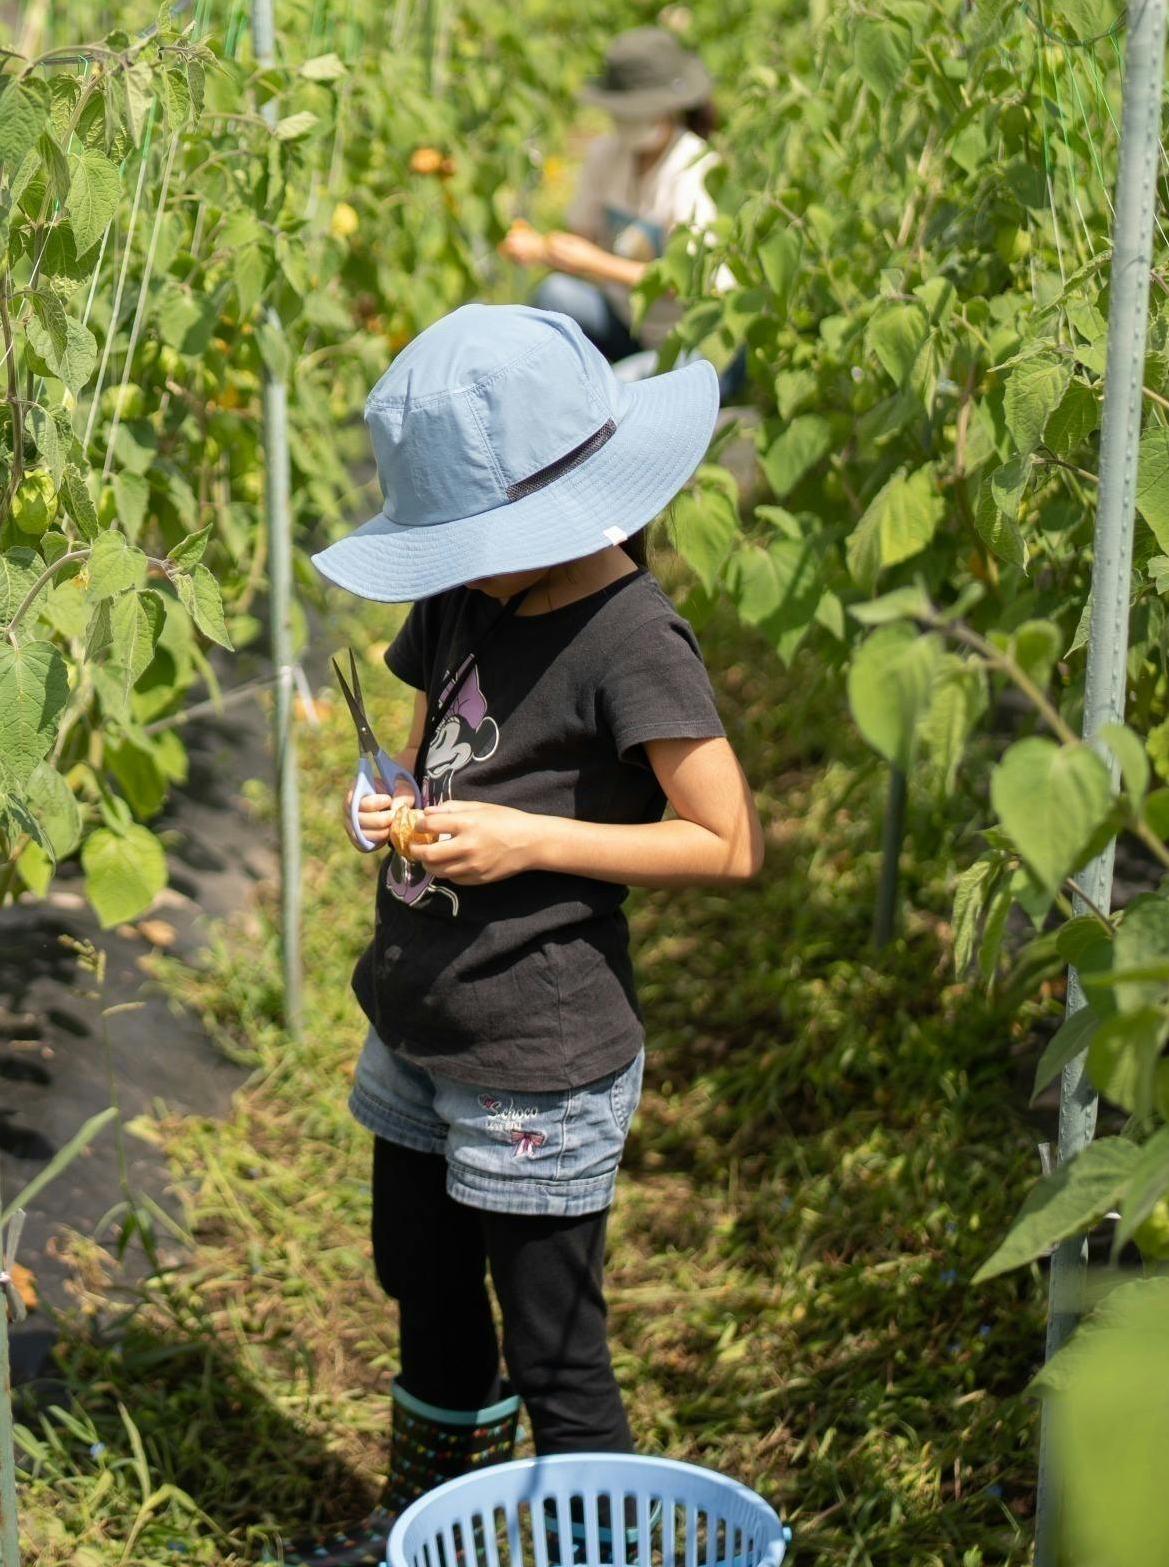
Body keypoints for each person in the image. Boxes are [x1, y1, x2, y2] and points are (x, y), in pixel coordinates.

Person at [281, 305, 764, 1565]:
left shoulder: (630, 636)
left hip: (539, 1052)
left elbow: (725, 841)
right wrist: (389, 790)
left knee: (555, 1343)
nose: (451, 560)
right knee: (424, 1289)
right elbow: (448, 742)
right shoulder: (464, 599)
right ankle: (427, 1527)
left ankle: (586, 1548)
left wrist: (525, 841)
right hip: (419, 1022)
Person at [500, 27, 738, 396]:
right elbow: (581, 239)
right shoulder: (606, 155)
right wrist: (542, 248)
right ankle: (598, 382)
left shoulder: (693, 167)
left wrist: (594, 262)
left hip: (689, 338)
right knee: (554, 295)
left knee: (642, 383)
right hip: (629, 323)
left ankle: (616, 387)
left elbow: (683, 282)